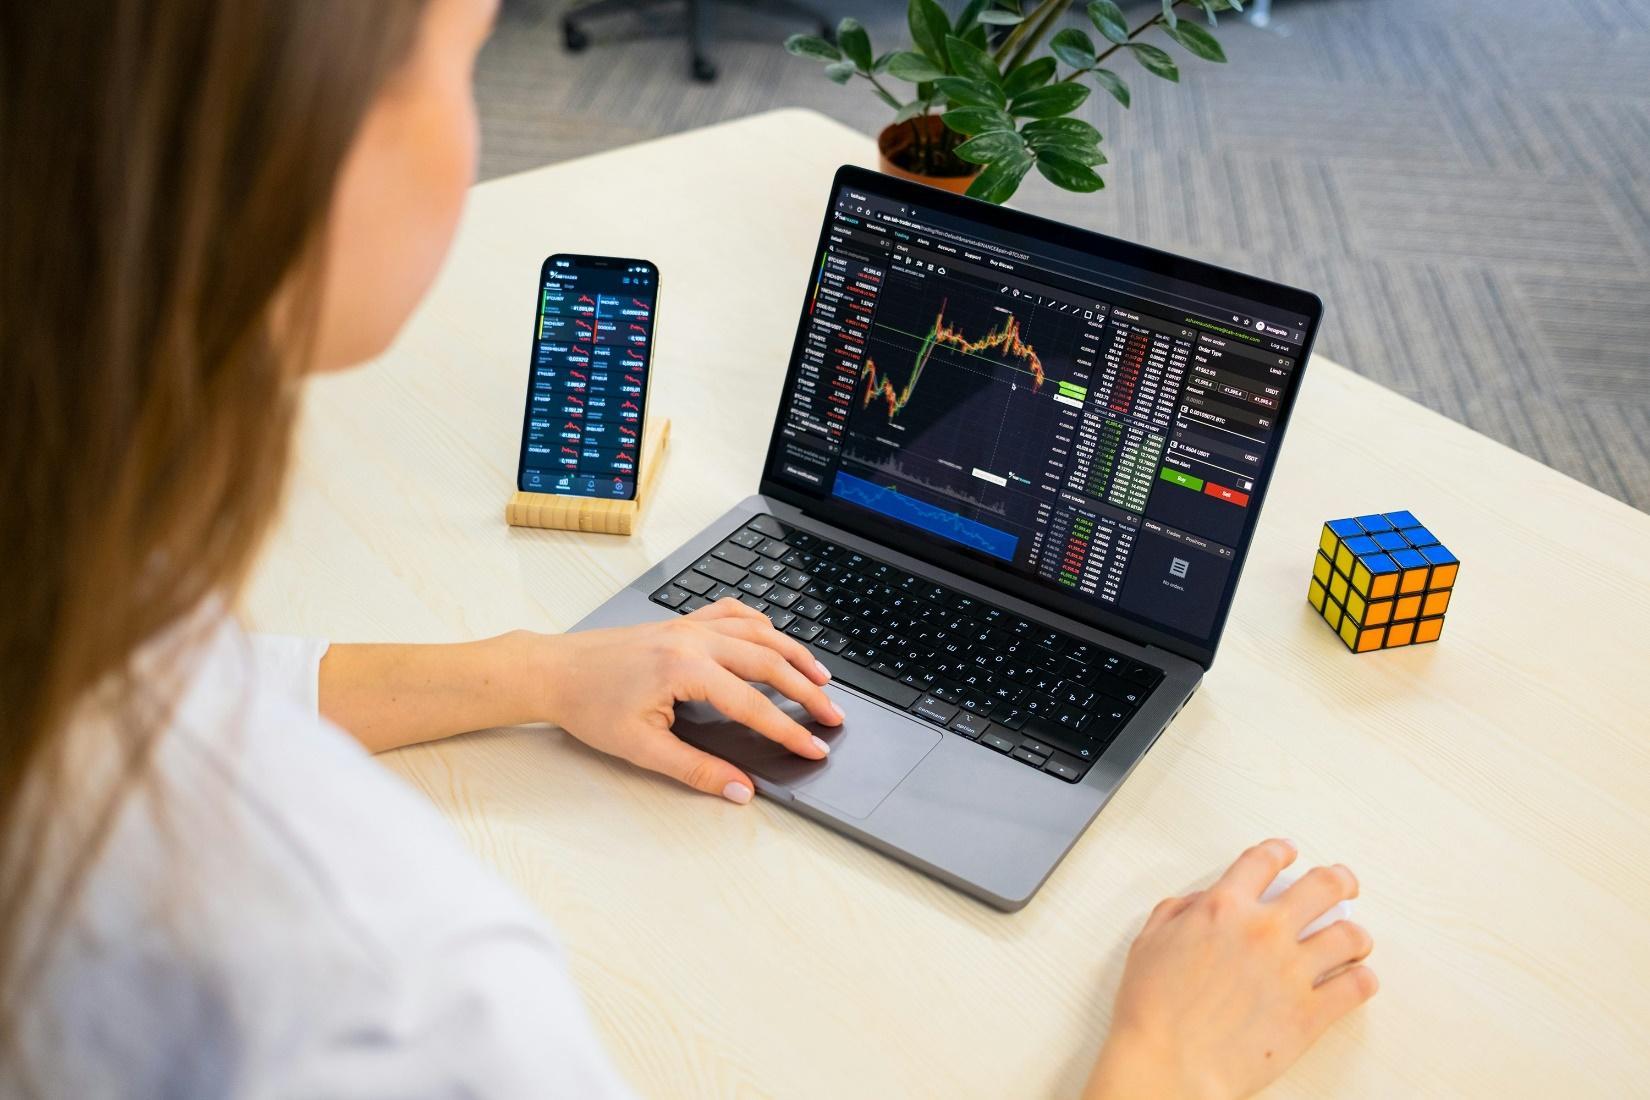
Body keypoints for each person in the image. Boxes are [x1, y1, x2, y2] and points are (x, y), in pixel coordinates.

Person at [0, 1, 1376, 1096]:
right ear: (304, 147)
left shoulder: (55, 622)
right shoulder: (389, 985)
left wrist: (541, 672)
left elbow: (170, 692)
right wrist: (1164, 1066)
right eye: (463, 61)